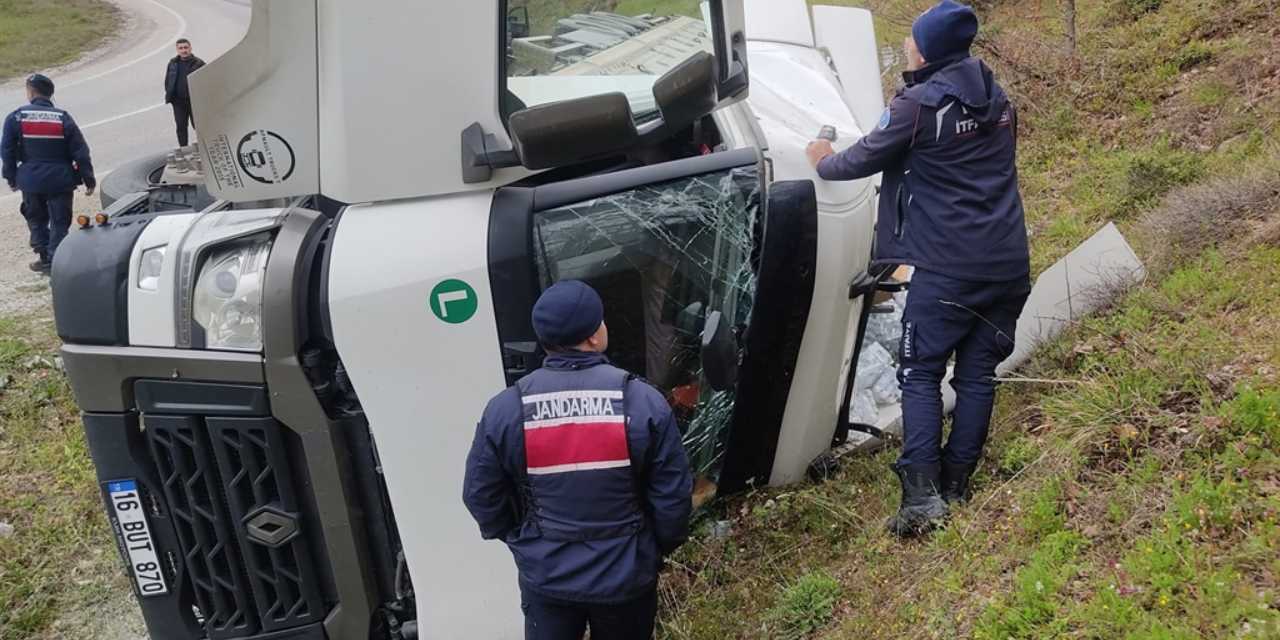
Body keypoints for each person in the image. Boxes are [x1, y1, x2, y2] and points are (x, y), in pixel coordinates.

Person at [805, 0, 1031, 537]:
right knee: (977, 373)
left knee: (921, 372)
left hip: (949, 270)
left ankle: (921, 499)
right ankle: (956, 484)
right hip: (1008, 264)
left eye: (912, 39)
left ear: (926, 49)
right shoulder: (998, 98)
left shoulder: (917, 106)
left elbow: (858, 161)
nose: (906, 45)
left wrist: (820, 157)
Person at [464, 280, 693, 640]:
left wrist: (523, 539)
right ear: (593, 338)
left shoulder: (506, 409)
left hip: (547, 579)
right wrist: (653, 548)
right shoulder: (642, 401)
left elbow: (480, 495)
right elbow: (672, 497)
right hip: (625, 578)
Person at [2, 74, 95, 274]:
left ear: (31, 92)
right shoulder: (63, 117)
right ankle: (55, 260)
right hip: (60, 180)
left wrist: (11, 177)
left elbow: (7, 151)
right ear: (50, 94)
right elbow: (80, 152)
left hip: (31, 180)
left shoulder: (16, 117)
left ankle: (44, 257)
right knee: (60, 221)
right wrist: (88, 179)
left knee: (36, 218)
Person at [164, 38, 206, 147]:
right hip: (178, 103)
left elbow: (207, 81)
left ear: (190, 48)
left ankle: (205, 147)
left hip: (195, 102)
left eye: (186, 47)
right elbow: (168, 81)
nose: (184, 50)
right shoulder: (172, 63)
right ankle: (184, 149)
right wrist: (171, 96)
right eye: (181, 48)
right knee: (181, 126)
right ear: (177, 50)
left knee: (199, 126)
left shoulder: (199, 63)